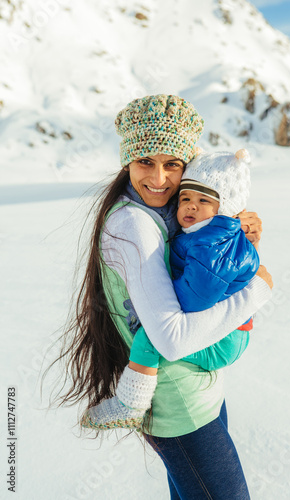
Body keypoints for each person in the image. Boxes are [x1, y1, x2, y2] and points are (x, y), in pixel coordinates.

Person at [55, 94, 273, 499]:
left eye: (172, 164)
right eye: (145, 162)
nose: (159, 178)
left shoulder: (169, 212)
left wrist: (235, 232)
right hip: (179, 405)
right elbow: (171, 337)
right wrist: (257, 289)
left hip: (199, 392)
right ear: (127, 162)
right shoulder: (133, 225)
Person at [81, 148, 261, 432]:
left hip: (218, 352)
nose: (159, 177)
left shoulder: (208, 242)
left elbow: (196, 298)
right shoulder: (154, 224)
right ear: (127, 162)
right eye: (186, 199)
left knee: (149, 336)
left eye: (202, 200)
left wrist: (258, 285)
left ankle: (132, 402)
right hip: (187, 397)